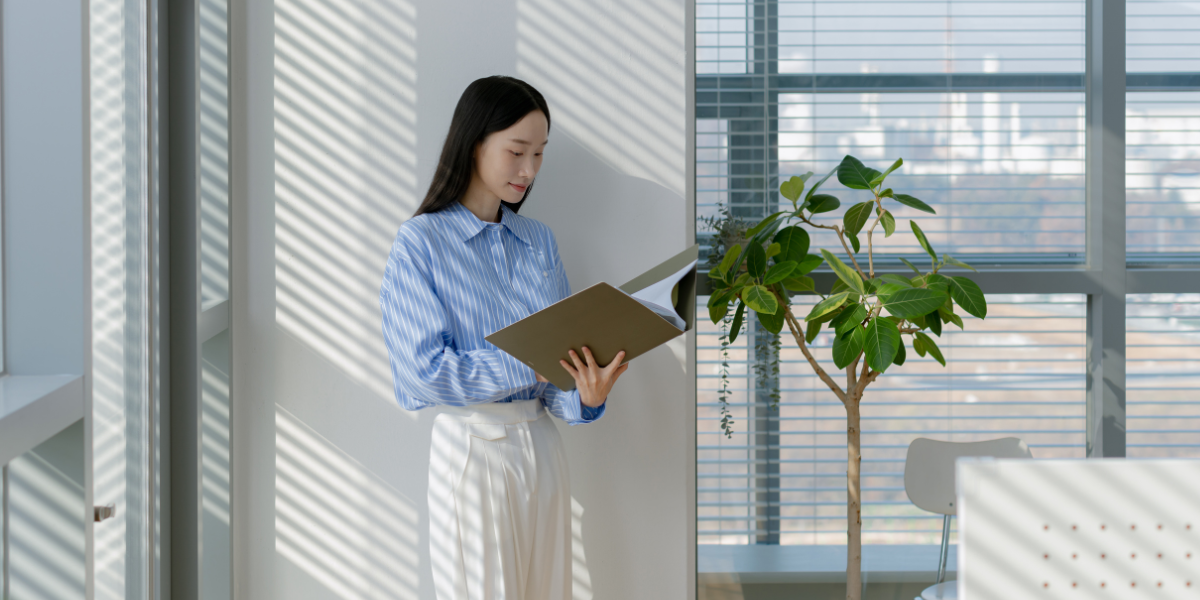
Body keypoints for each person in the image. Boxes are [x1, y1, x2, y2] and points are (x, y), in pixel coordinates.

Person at [379, 75, 629, 600]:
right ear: (474, 144)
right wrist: (530, 365)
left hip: (542, 446)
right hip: (473, 449)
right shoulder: (419, 243)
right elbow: (422, 375)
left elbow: (557, 377)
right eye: (516, 152)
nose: (529, 171)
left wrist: (585, 396)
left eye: (539, 154)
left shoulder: (538, 242)